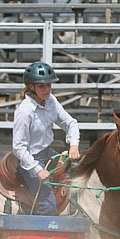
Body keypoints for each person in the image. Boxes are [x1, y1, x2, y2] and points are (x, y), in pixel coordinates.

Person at [12, 61, 81, 215]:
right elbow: (18, 148)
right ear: (31, 87)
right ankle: (35, 237)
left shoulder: (51, 101)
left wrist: (74, 145)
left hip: (48, 153)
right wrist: (38, 170)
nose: (47, 89)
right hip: (29, 161)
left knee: (81, 174)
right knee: (48, 205)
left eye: (49, 85)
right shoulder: (24, 111)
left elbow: (70, 123)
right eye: (42, 86)